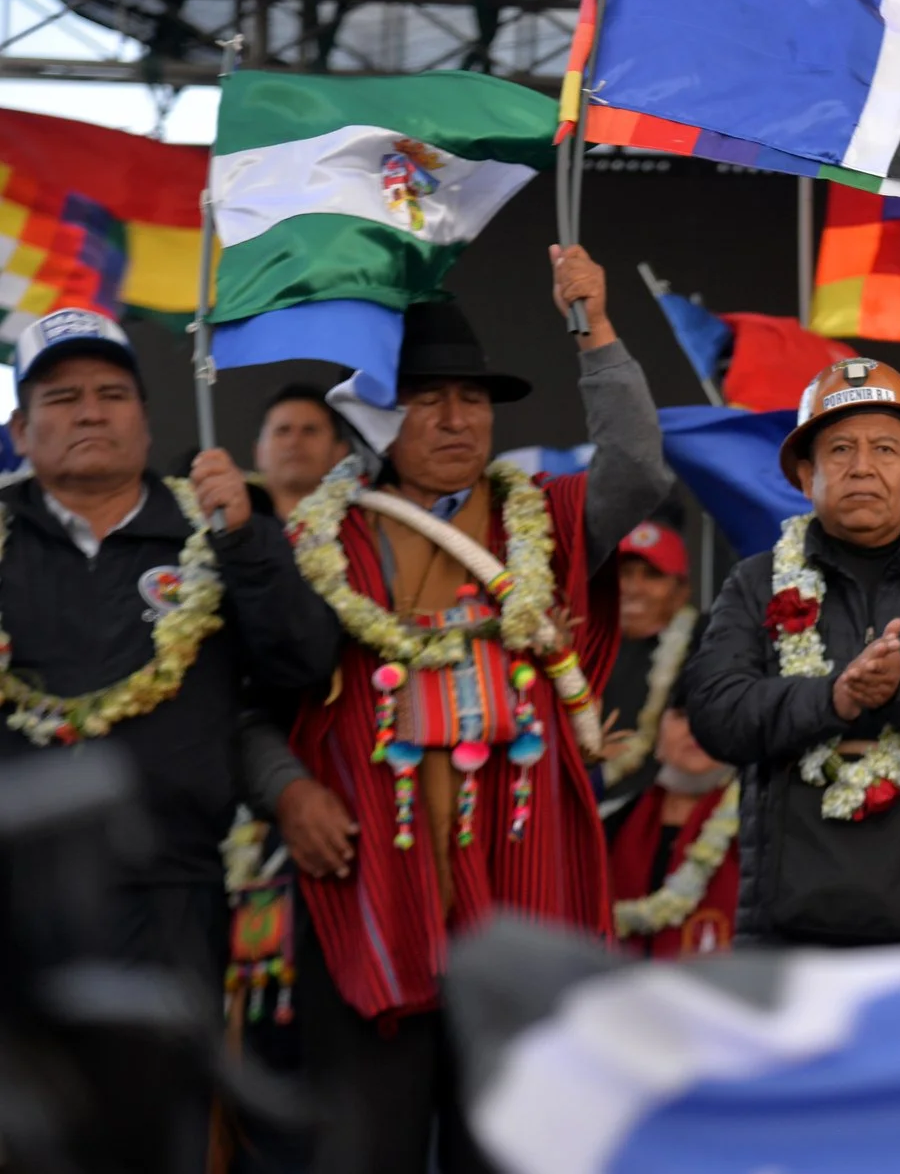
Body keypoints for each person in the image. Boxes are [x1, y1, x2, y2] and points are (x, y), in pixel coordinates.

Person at [286, 246, 672, 1174]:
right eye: (427, 398)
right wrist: (286, 790)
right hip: (375, 880)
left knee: (504, 1150)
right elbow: (259, 698)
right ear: (380, 416)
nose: (457, 418)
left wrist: (597, 327)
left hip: (518, 874)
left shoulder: (544, 514)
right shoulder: (318, 543)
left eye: (472, 397)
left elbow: (638, 469)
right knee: (365, 1152)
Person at [0, 309, 340, 1174]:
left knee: (165, 1133)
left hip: (173, 890)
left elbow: (303, 664)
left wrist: (246, 541)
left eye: (113, 394)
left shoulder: (214, 524)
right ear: (19, 428)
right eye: (63, 397)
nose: (89, 413)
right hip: (14, 898)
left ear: (146, 419)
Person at [685, 358, 900, 946]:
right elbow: (716, 713)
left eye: (885, 450)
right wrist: (834, 698)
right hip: (788, 928)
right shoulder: (756, 581)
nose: (862, 467)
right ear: (804, 473)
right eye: (840, 449)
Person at [605, 703, 740, 958]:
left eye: (713, 714)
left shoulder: (759, 830)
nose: (696, 730)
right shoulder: (611, 822)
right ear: (656, 724)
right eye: (683, 715)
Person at [598, 508, 699, 811]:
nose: (633, 588)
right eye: (624, 573)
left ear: (682, 591)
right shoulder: (577, 645)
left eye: (652, 575)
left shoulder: (705, 648)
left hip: (657, 814)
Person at [253, 381, 351, 520]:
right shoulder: (228, 524)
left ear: (340, 451)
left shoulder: (367, 524)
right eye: (283, 430)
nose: (294, 442)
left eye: (309, 431)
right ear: (258, 451)